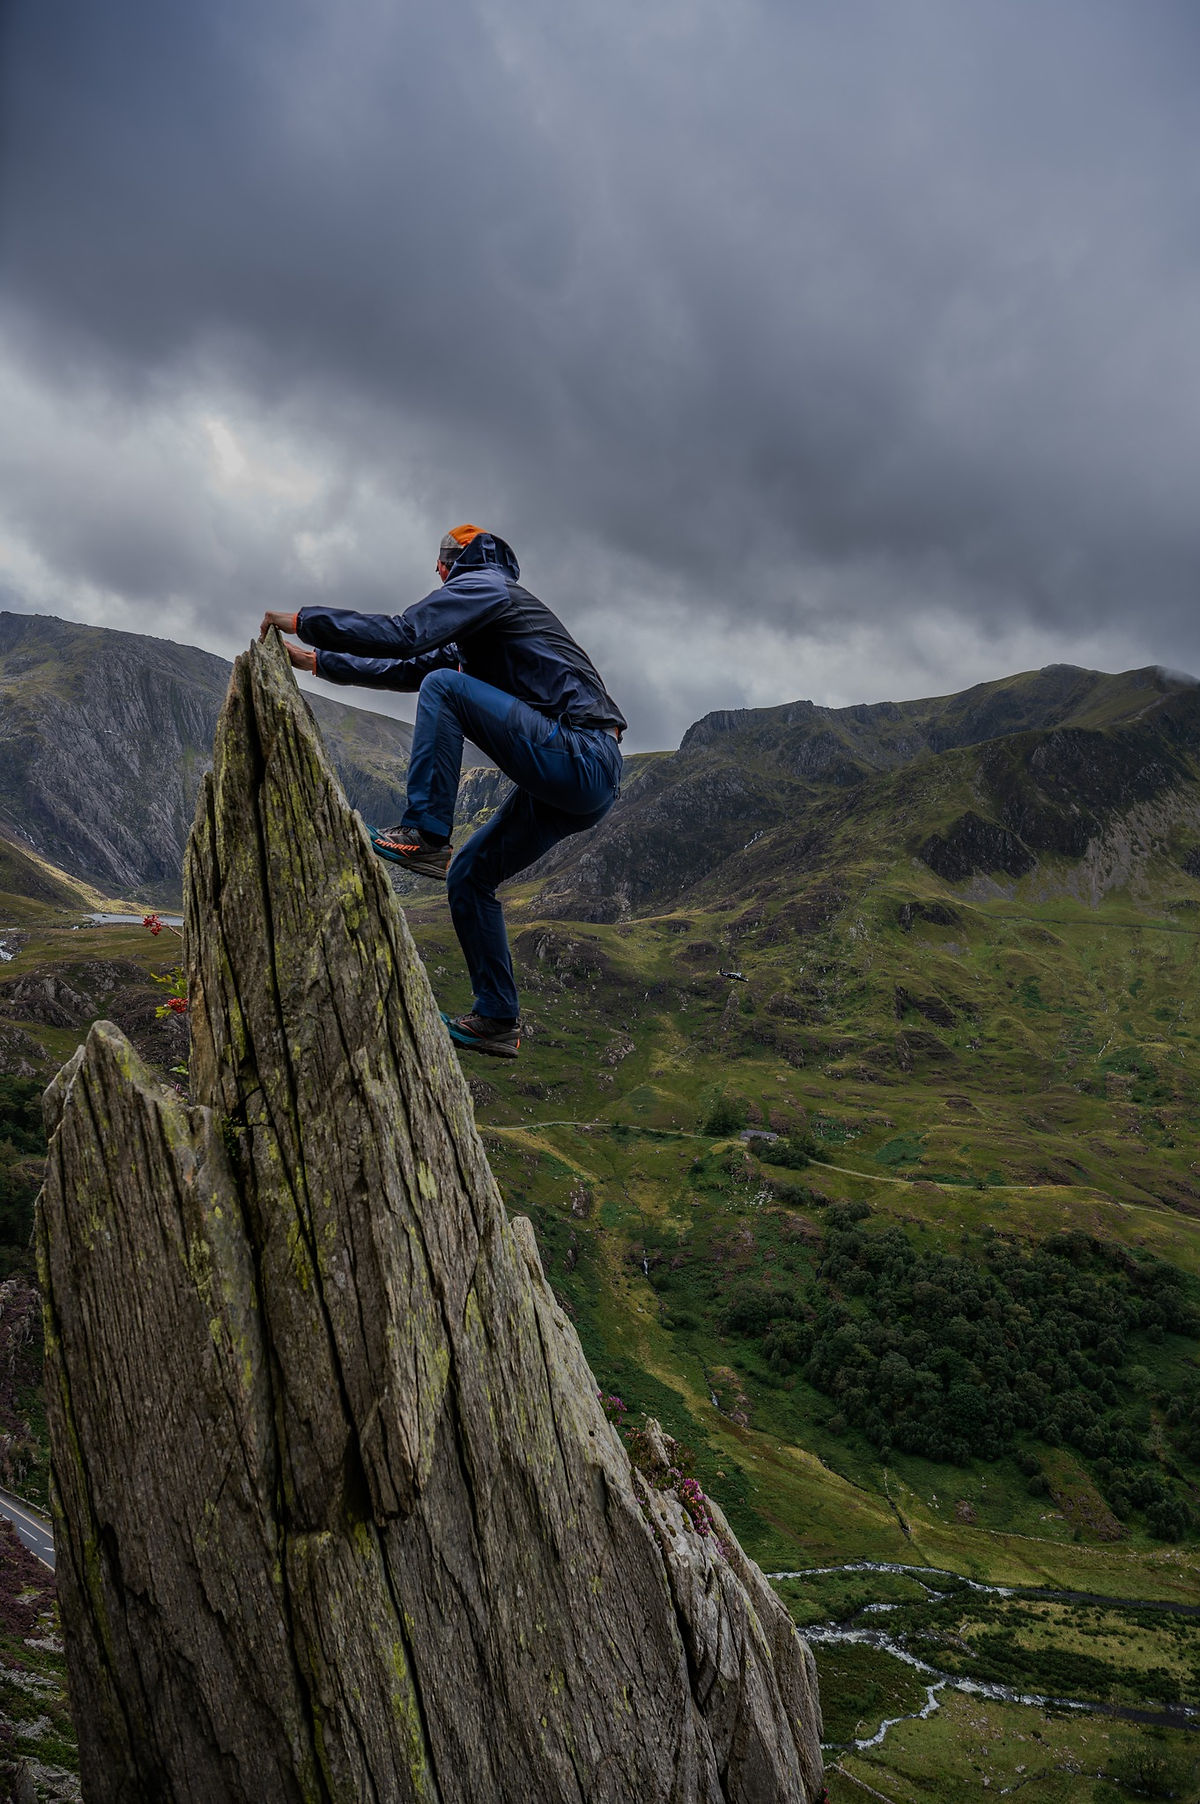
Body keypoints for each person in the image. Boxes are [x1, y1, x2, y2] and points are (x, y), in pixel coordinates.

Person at [259, 525, 625, 1059]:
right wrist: (316, 662)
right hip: (583, 784)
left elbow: (406, 632)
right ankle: (496, 1019)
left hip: (582, 754)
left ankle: (426, 834)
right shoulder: (481, 624)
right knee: (470, 876)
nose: (436, 570)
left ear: (461, 561)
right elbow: (405, 666)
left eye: (442, 560)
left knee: (444, 689)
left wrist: (301, 620)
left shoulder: (487, 587)